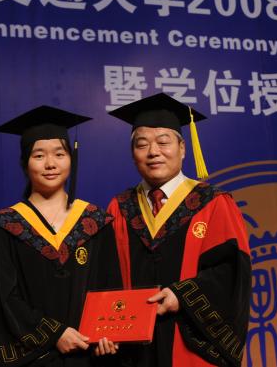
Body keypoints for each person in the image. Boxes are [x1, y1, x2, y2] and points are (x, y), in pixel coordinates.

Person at [106, 93, 252, 367]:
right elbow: (107, 278)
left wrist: (182, 296)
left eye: (163, 142)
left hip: (190, 346)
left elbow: (232, 272)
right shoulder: (120, 207)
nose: (153, 152)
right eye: (142, 144)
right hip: (134, 349)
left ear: (182, 148)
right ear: (132, 153)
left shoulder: (212, 202)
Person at [0, 105, 121, 367]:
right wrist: (54, 334)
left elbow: (111, 287)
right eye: (39, 155)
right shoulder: (5, 227)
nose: (50, 164)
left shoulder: (95, 222)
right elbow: (4, 299)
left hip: (90, 356)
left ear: (71, 159)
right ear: (25, 164)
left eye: (59, 154)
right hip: (37, 358)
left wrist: (110, 332)